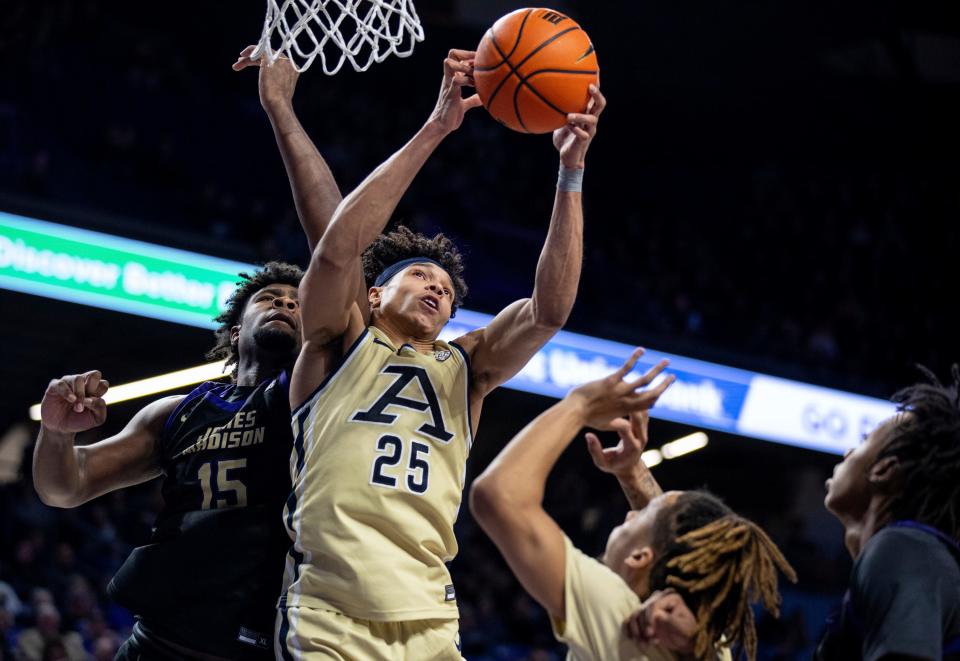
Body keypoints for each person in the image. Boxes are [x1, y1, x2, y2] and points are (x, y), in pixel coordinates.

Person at [276, 48, 605, 658]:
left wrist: (570, 173)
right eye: (423, 276)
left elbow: (549, 310)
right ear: (374, 294)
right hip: (329, 609)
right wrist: (437, 128)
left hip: (428, 616)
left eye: (447, 291)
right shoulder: (338, 340)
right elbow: (337, 248)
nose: (437, 288)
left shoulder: (466, 367)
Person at [31, 54, 341, 660]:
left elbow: (336, 247)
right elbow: (64, 488)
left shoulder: (317, 391)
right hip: (158, 641)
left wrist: (280, 109)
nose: (285, 304)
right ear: (235, 329)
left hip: (259, 644)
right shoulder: (176, 413)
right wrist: (56, 435)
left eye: (298, 301)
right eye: (270, 298)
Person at [470, 350, 797, 661]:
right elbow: (675, 544)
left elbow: (498, 495)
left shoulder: (618, 610)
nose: (630, 511)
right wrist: (632, 473)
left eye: (638, 517)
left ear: (641, 557)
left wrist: (580, 404)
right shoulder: (710, 643)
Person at [817, 366, 960, 660]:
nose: (847, 451)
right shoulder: (914, 556)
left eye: (864, 440)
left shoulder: (905, 548)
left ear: (883, 470)